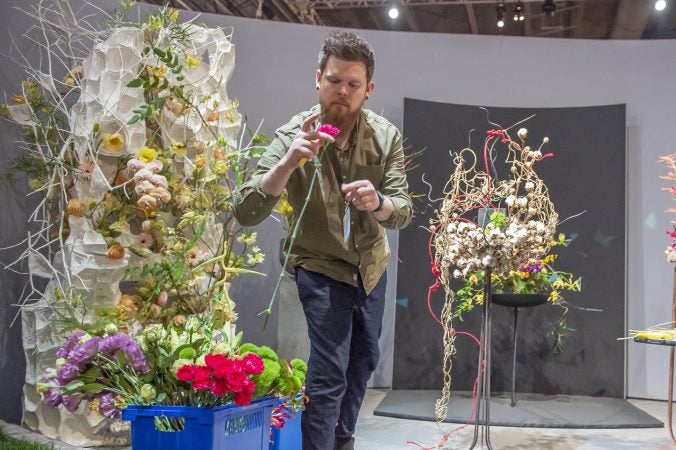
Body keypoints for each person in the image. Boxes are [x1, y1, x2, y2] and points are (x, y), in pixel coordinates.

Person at [233, 31, 412, 450]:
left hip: (370, 267)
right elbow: (246, 211)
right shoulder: (295, 133)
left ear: (368, 89)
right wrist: (288, 161)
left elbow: (402, 209)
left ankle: (341, 438)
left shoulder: (385, 137)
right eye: (334, 81)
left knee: (362, 363)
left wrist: (379, 202)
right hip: (319, 265)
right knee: (329, 371)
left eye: (353, 84)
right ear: (318, 79)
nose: (342, 92)